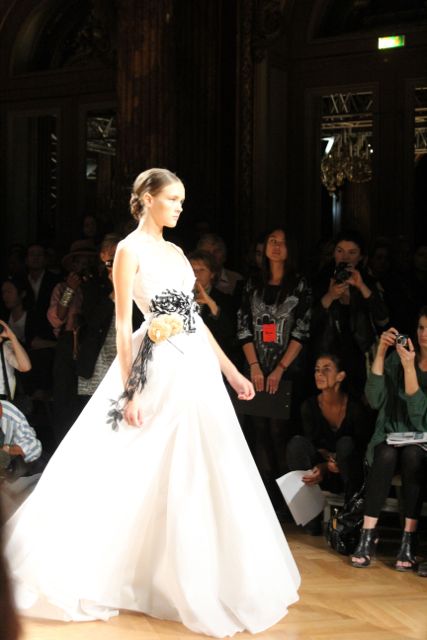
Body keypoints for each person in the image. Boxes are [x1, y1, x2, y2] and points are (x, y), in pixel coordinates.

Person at [5, 168, 300, 637]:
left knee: (198, 463)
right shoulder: (129, 250)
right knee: (137, 463)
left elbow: (193, 319)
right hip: (156, 364)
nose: (180, 207)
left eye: (182, 199)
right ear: (147, 199)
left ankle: (192, 576)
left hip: (194, 367)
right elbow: (124, 324)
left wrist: (231, 371)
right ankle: (125, 571)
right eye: (173, 199)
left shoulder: (178, 253)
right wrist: (130, 390)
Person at [237, 227, 312, 513]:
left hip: (287, 369)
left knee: (280, 432)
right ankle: (265, 499)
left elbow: (302, 330)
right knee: (259, 431)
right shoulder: (252, 282)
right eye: (272, 241)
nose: (276, 246)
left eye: (282, 242)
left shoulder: (299, 284)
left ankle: (289, 503)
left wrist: (280, 368)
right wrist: (255, 366)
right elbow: (243, 326)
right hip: (256, 367)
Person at [351, 308, 427, 575]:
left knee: (413, 456)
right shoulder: (397, 358)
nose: (424, 335)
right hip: (391, 435)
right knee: (384, 453)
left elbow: (420, 419)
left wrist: (409, 369)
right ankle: (368, 534)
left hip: (422, 440)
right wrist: (382, 353)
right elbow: (374, 400)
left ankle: (409, 537)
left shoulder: (407, 362)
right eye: (421, 328)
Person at [286, 354, 371, 534]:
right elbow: (312, 443)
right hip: (322, 470)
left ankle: (350, 518)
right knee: (296, 444)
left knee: (346, 444)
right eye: (317, 370)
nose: (319, 374)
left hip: (349, 470)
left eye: (326, 369)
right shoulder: (309, 406)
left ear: (340, 376)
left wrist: (338, 461)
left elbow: (361, 446)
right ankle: (311, 517)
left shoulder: (354, 407)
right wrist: (324, 466)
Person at [311, 229, 389, 398]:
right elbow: (308, 322)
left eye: (352, 252)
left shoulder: (368, 282)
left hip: (360, 355)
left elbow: (383, 319)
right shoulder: (321, 280)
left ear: (361, 257)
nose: (345, 257)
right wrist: (330, 296)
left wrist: (361, 286)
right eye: (340, 251)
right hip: (328, 354)